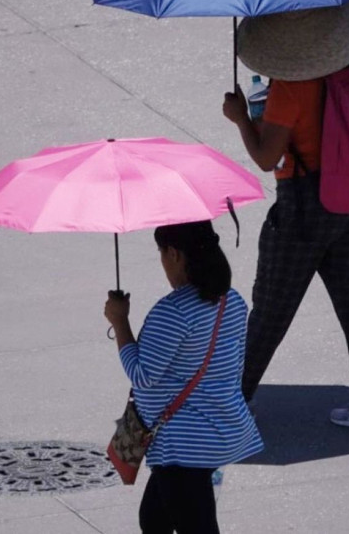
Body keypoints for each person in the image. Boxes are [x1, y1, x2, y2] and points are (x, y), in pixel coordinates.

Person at [221, 0, 349, 431]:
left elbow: (267, 157)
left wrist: (242, 118)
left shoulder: (289, 89)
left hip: (305, 208)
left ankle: (232, 404)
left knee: (271, 308)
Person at [104, 220, 263, 534]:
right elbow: (234, 367)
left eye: (161, 253)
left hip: (182, 445)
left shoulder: (172, 312)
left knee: (194, 526)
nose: (162, 262)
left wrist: (120, 322)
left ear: (174, 254)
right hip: (216, 431)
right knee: (154, 519)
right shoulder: (231, 302)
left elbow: (142, 375)